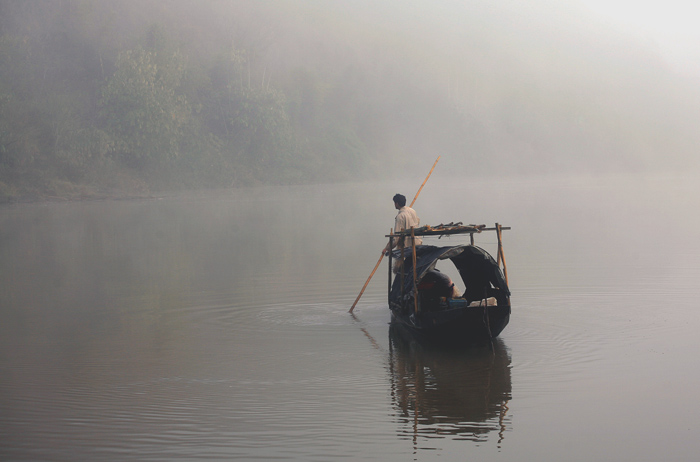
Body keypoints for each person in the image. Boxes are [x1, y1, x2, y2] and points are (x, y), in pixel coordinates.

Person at [383, 193, 422, 259]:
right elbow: (417, 221)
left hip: (409, 247)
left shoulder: (400, 216)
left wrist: (387, 248)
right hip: (418, 243)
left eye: (394, 203)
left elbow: (396, 238)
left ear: (397, 203)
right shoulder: (412, 211)